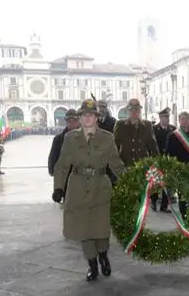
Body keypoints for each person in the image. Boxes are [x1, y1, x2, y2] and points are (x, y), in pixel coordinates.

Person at [52, 99, 125, 281]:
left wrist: (129, 181)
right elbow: (61, 165)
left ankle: (103, 255)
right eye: (84, 115)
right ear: (80, 117)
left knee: (100, 228)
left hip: (101, 187)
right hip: (77, 188)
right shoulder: (70, 138)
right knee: (84, 230)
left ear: (97, 118)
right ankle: (92, 265)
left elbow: (116, 164)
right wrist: (58, 187)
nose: (87, 118)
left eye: (91, 115)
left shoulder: (107, 138)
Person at [113, 98, 159, 166]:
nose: (134, 112)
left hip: (142, 166)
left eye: (137, 109)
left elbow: (153, 148)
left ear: (140, 111)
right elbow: (115, 147)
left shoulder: (147, 125)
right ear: (127, 111)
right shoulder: (120, 125)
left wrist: (156, 164)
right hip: (125, 165)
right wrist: (117, 164)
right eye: (131, 109)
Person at [152, 108, 176, 211]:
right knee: (156, 182)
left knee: (167, 182)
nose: (167, 119)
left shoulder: (173, 129)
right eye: (164, 117)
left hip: (169, 160)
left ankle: (164, 206)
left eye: (168, 117)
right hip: (157, 158)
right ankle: (153, 201)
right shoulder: (154, 129)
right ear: (160, 118)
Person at [48, 109, 80, 177]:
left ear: (78, 121)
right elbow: (53, 157)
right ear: (66, 122)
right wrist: (53, 172)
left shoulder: (86, 137)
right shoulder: (58, 139)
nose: (72, 123)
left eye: (74, 121)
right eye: (69, 121)